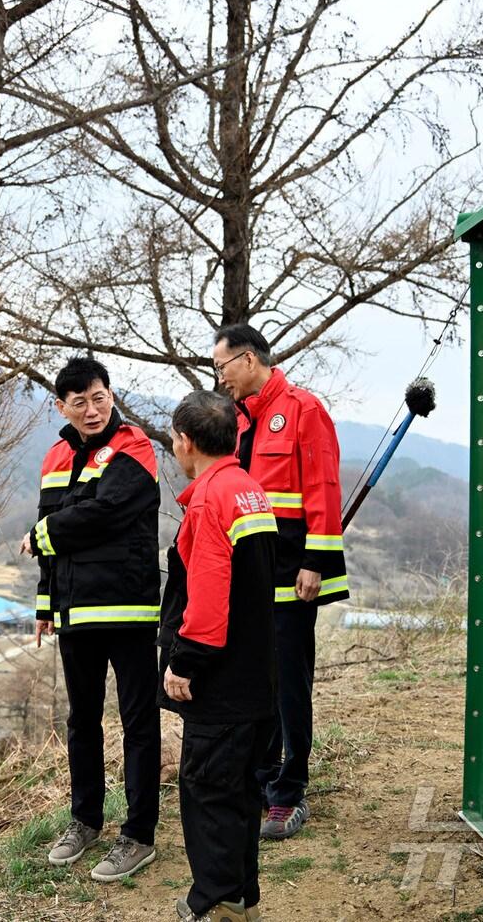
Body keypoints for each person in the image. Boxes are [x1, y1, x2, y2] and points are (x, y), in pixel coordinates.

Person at [22, 356, 162, 882]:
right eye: (78, 401)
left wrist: (46, 533)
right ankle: (85, 821)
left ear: (111, 395)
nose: (91, 408)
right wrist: (45, 602)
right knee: (81, 721)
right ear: (62, 407)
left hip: (127, 607)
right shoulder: (55, 455)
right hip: (73, 612)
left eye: (99, 397)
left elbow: (108, 512)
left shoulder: (135, 446)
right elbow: (50, 533)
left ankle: (139, 834)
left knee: (138, 722)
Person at [212, 324, 349, 841]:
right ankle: (261, 778)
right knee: (256, 681)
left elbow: (322, 487)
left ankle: (289, 792)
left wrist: (316, 561)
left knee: (290, 684)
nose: (219, 378)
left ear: (248, 360)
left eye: (221, 367)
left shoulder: (301, 410)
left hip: (293, 574)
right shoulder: (239, 421)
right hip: (249, 575)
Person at [160, 390, 278, 922]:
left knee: (208, 794)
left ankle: (212, 903)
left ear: (186, 442)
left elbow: (208, 600)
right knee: (240, 797)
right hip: (257, 678)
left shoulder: (209, 500)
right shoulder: (250, 489)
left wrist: (184, 663)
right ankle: (241, 899)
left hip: (222, 683)